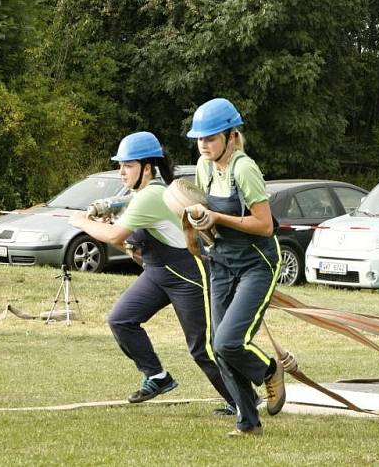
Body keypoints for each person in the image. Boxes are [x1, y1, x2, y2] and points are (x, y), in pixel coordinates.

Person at [68, 131, 235, 414]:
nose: (122, 172)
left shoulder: (153, 194)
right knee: (121, 320)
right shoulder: (141, 194)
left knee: (202, 348)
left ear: (148, 168)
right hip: (158, 272)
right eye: (121, 165)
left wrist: (81, 221)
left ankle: (242, 401)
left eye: (128, 165)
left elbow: (112, 236)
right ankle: (158, 377)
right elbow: (129, 241)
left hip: (187, 274)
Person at [184, 97, 285, 438]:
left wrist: (218, 217)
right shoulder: (203, 166)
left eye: (210, 137)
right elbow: (203, 214)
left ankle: (270, 371)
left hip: (257, 263)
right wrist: (196, 223)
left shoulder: (245, 168)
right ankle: (247, 421)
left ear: (230, 136)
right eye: (200, 138)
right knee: (217, 345)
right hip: (222, 261)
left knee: (230, 341)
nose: (204, 144)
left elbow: (265, 225)